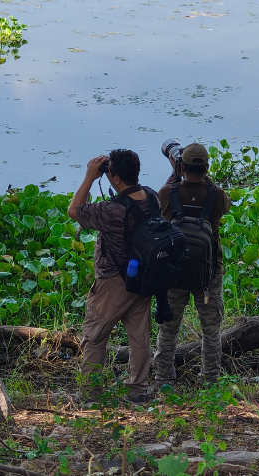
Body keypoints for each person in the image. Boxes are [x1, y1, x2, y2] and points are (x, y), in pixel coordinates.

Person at [66, 149, 159, 403]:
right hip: (143, 279)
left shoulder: (111, 210)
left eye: (109, 174)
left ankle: (90, 394)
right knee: (139, 337)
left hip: (112, 283)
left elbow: (75, 211)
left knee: (94, 337)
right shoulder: (152, 197)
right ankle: (138, 391)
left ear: (115, 179)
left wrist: (88, 177)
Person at [154, 143, 232, 386]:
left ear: (182, 166)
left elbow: (159, 206)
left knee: (168, 329)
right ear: (207, 167)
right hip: (208, 275)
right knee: (211, 331)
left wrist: (175, 174)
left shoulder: (167, 193)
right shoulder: (217, 195)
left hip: (173, 274)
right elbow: (225, 206)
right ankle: (210, 380)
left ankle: (164, 378)